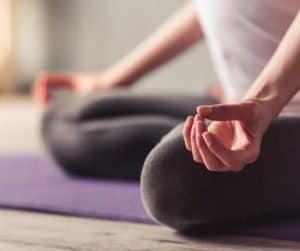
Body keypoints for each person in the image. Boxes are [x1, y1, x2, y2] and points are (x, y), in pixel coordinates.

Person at [34, 0, 300, 231]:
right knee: (67, 119)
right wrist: (111, 80)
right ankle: (215, 147)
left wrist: (262, 101)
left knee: (171, 179)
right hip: (238, 101)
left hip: (279, 106)